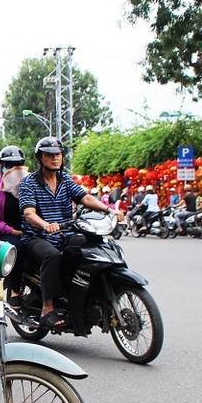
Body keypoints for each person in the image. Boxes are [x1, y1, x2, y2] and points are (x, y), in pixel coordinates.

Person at [18, 136, 122, 328]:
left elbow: (86, 199)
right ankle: (47, 308)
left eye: (57, 154)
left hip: (65, 234)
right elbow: (29, 213)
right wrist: (45, 224)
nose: (55, 158)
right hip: (37, 238)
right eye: (49, 155)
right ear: (40, 158)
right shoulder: (29, 183)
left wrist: (110, 210)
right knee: (52, 256)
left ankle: (84, 293)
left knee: (92, 247)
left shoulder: (65, 179)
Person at [0, 145, 27, 307]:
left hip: (28, 230)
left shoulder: (28, 186)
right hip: (6, 234)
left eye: (17, 165)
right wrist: (15, 231)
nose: (13, 170)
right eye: (9, 165)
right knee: (17, 248)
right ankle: (16, 290)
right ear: (1, 167)